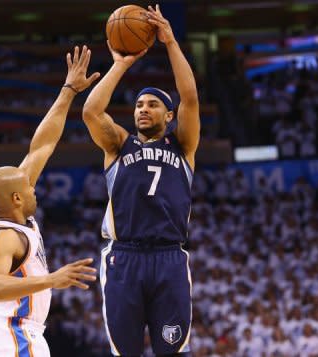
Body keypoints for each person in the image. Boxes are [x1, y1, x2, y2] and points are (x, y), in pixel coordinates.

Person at [82, 5, 200, 356]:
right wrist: (121, 63)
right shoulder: (119, 144)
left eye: (152, 105)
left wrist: (171, 42)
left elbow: (190, 97)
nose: (143, 109)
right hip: (124, 257)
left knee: (172, 350)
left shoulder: (184, 146)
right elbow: (90, 112)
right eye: (138, 105)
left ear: (169, 115)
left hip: (169, 258)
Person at [0, 45, 100, 357]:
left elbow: (42, 145)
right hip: (11, 333)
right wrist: (51, 280)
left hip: (17, 332)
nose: (35, 190)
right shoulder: (5, 237)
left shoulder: (14, 217)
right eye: (29, 189)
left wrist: (68, 91)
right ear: (16, 198)